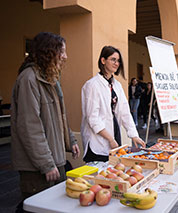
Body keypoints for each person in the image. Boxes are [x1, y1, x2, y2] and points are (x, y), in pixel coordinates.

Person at [11, 32, 80, 208]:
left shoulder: (51, 79)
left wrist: (70, 141)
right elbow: (30, 127)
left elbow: (60, 117)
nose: (65, 56)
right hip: (37, 168)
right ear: (48, 52)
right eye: (62, 51)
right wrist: (46, 164)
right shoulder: (29, 79)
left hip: (55, 162)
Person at [81, 46, 145, 163]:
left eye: (118, 60)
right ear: (103, 60)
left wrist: (133, 135)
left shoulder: (117, 85)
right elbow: (92, 118)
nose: (116, 63)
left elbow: (125, 112)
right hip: (98, 141)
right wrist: (110, 139)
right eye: (113, 59)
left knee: (112, 171)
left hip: (114, 135)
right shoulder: (92, 85)